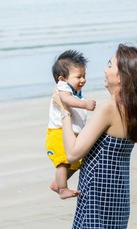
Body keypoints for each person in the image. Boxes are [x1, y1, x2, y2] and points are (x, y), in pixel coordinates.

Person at [53, 44, 137, 229]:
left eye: (110, 65)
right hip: (117, 197)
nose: (104, 69)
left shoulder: (109, 108)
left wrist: (64, 111)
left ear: (122, 77)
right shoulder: (135, 111)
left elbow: (73, 153)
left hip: (95, 197)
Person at [46, 50, 96, 199]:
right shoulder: (63, 88)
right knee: (62, 162)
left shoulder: (73, 89)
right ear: (62, 78)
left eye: (84, 76)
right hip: (58, 132)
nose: (83, 80)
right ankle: (62, 189)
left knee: (76, 162)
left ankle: (57, 183)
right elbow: (66, 101)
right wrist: (85, 104)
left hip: (70, 132)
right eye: (78, 77)